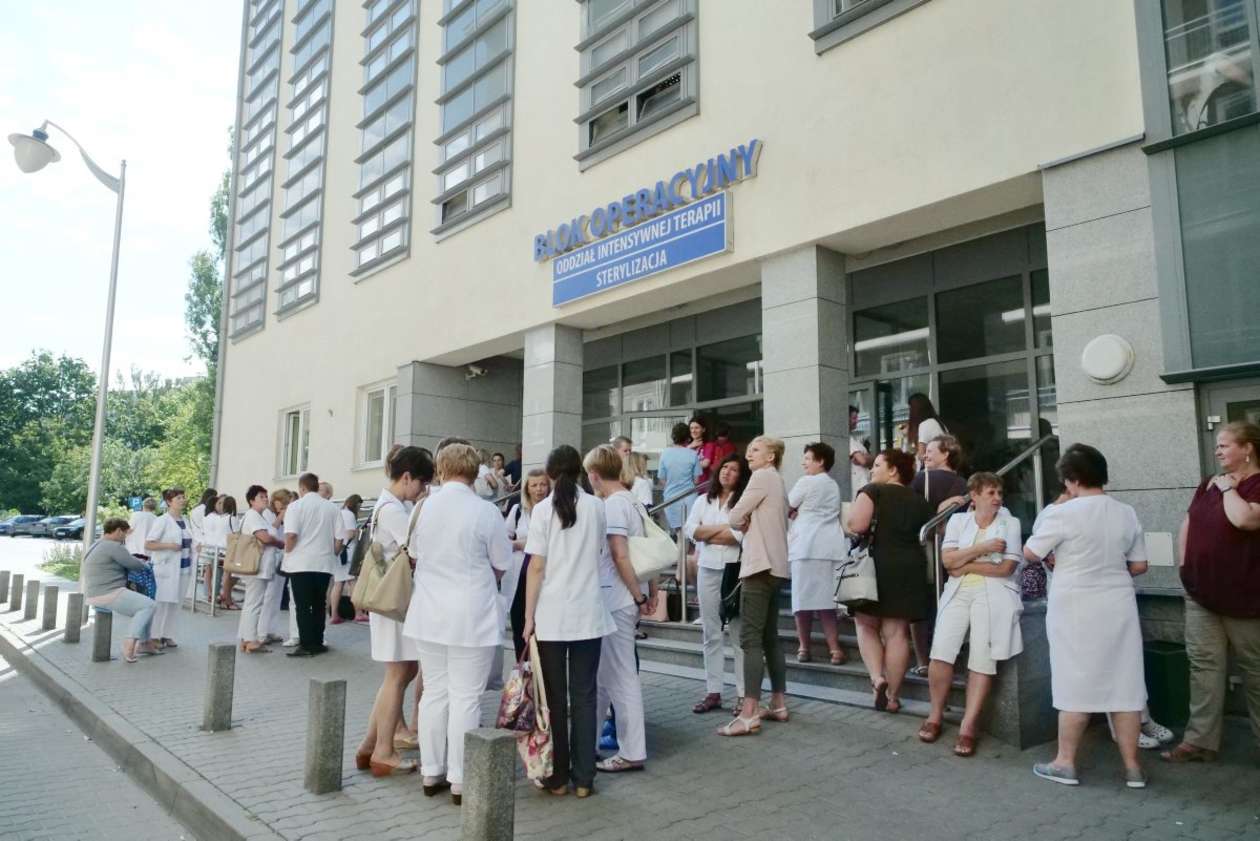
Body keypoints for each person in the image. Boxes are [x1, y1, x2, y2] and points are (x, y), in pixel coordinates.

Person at [1023, 443, 1149, 788]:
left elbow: (1031, 553)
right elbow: (1139, 565)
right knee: (1125, 682)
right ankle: (1132, 767)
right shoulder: (1126, 513)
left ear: (1073, 479)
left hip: (1075, 603)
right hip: (1118, 603)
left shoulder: (1063, 514)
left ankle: (1065, 762)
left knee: (1074, 680)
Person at [403, 443, 511, 804]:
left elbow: (414, 555)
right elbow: (501, 563)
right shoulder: (485, 511)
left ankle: (431, 770)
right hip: (471, 612)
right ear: (474, 470)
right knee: (466, 696)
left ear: (441, 468)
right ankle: (461, 776)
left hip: (429, 612)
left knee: (435, 692)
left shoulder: (422, 507)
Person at [1163, 421, 1260, 764]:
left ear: (1247, 449)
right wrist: (1184, 568)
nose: (1217, 451)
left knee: (1256, 671)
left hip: (1247, 599)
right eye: (1217, 446)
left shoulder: (1254, 486)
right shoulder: (1207, 484)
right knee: (1203, 667)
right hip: (1202, 594)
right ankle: (1200, 742)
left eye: (1225, 445)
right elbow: (1189, 524)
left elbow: (1245, 520)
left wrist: (1229, 490)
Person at [522, 444, 615, 798]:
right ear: (580, 471)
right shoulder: (597, 507)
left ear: (549, 473)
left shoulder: (543, 511)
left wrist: (528, 616)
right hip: (589, 612)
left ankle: (558, 776)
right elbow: (600, 554)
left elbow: (537, 566)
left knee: (555, 699)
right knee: (586, 696)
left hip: (551, 615)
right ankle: (585, 779)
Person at [916, 472, 1023, 756]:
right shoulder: (958, 520)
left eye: (1000, 493)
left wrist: (965, 563)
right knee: (941, 652)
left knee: (982, 658)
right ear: (974, 496)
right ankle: (935, 715)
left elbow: (1005, 569)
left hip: (993, 594)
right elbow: (947, 561)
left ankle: (968, 725)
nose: (998, 498)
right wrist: (983, 549)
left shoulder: (1010, 523)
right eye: (991, 493)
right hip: (959, 592)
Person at [356, 446, 434, 778]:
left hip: (388, 601)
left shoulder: (385, 504)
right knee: (399, 674)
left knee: (400, 673)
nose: (423, 491)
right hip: (394, 601)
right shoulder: (394, 510)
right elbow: (417, 549)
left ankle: (370, 745)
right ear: (407, 477)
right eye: (421, 483)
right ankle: (383, 751)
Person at [847, 449, 934, 714]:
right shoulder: (920, 500)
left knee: (865, 624)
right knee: (897, 634)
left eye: (877, 465)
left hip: (876, 564)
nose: (872, 470)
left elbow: (857, 525)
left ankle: (877, 678)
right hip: (910, 567)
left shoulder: (872, 490)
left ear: (893, 469)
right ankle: (894, 697)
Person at [584, 444, 654, 773]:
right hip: (623, 598)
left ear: (595, 475)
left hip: (615, 598)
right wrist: (645, 592)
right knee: (605, 677)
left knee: (621, 677)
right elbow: (646, 552)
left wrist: (639, 595)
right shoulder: (632, 500)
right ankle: (591, 742)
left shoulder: (612, 506)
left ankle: (631, 750)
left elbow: (620, 554)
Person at [721, 436, 790, 737]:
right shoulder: (777, 480)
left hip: (758, 567)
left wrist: (742, 521)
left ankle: (748, 713)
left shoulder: (761, 477)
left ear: (771, 456)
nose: (749, 453)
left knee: (750, 639)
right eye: (748, 448)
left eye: (757, 449)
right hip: (777, 567)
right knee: (770, 637)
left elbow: (734, 515)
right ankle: (778, 703)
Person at [684, 453, 750, 713]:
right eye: (724, 467)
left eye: (734, 470)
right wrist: (719, 530)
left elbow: (737, 536)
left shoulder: (743, 502)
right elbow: (692, 531)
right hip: (707, 569)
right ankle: (714, 691)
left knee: (737, 632)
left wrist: (708, 533)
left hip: (734, 570)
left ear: (740, 476)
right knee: (710, 632)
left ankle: (744, 695)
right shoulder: (703, 500)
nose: (727, 473)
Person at [908, 434, 968, 675]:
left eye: (931, 451)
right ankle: (949, 658)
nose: (925, 454)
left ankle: (923, 660)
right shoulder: (963, 484)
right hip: (952, 553)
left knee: (920, 606)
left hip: (922, 550)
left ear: (946, 453)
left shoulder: (920, 479)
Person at [787, 442, 848, 665]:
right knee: (826, 602)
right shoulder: (833, 485)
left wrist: (795, 512)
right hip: (830, 546)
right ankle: (835, 650)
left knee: (802, 600)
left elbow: (787, 505)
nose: (803, 462)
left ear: (820, 461)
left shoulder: (806, 481)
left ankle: (804, 647)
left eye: (808, 458)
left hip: (806, 545)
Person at [82, 518, 161, 663]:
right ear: (118, 531)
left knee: (144, 605)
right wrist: (146, 564)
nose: (125, 537)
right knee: (149, 605)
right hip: (109, 592)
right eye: (125, 533)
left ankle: (145, 643)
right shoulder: (114, 546)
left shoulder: (97, 544)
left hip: (95, 592)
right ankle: (131, 641)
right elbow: (134, 565)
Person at [283, 472, 340, 657]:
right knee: (318, 603)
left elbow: (291, 535)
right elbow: (340, 538)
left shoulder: (295, 506)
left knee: (302, 605)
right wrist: (333, 552)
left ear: (302, 487)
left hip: (301, 563)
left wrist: (288, 551)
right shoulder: (332, 508)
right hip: (323, 563)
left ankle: (306, 644)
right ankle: (318, 641)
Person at [505, 469, 551, 659]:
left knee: (540, 627)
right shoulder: (518, 510)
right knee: (519, 625)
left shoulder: (552, 510)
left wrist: (518, 544)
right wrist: (515, 543)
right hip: (518, 575)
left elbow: (546, 542)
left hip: (542, 575)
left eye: (543, 484)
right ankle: (523, 673)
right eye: (534, 485)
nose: (539, 489)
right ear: (526, 488)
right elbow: (505, 536)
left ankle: (541, 675)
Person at [237, 485, 284, 654]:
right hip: (257, 566)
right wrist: (279, 543)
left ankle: (246, 637)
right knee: (254, 603)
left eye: (266, 496)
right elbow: (264, 537)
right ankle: (251, 640)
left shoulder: (257, 516)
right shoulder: (253, 516)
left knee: (252, 602)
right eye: (261, 496)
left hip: (258, 566)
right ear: (252, 500)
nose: (265, 499)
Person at [146, 487, 192, 650]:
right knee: (162, 604)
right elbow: (149, 543)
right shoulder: (162, 520)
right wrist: (169, 546)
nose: (182, 500)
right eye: (178, 498)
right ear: (168, 502)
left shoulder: (186, 520)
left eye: (183, 497)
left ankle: (168, 634)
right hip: (166, 568)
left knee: (176, 604)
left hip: (184, 569)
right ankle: (154, 636)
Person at [658, 422, 701, 533]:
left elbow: (662, 479)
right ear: (688, 438)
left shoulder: (665, 453)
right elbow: (697, 480)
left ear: (673, 436)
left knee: (679, 533)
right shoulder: (692, 454)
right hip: (689, 497)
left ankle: (680, 549)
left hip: (671, 498)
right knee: (689, 532)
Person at [260, 489, 291, 644]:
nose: (284, 506)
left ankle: (272, 629)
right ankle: (262, 631)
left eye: (287, 503)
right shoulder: (267, 513)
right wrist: (280, 516)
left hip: (281, 558)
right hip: (269, 558)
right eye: (282, 502)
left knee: (277, 595)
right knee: (268, 595)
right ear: (275, 501)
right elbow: (270, 532)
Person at [329, 494, 362, 625]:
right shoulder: (349, 514)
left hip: (339, 553)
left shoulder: (339, 512)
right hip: (347, 554)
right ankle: (358, 613)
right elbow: (350, 533)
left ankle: (334, 615)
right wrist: (357, 533)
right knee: (352, 582)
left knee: (338, 584)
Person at [190, 488, 216, 604]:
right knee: (208, 567)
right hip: (205, 541)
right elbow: (206, 527)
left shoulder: (195, 509)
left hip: (196, 540)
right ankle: (208, 593)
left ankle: (204, 593)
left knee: (203, 568)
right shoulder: (206, 510)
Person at [906, 393, 946, 465]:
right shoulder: (938, 423)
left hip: (933, 470)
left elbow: (921, 455)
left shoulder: (925, 425)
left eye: (910, 409)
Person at [849, 406, 873, 500]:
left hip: (864, 484)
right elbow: (862, 460)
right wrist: (871, 458)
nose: (857, 421)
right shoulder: (848, 440)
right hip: (859, 486)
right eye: (854, 418)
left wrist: (869, 458)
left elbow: (863, 460)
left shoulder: (855, 440)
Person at [687, 417, 720, 486]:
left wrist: (686, 463)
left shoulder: (709, 445)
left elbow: (705, 464)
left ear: (703, 429)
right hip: (687, 487)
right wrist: (690, 447)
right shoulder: (687, 446)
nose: (693, 431)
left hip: (703, 486)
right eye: (691, 428)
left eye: (696, 428)